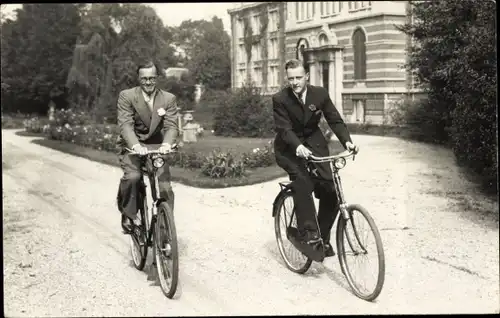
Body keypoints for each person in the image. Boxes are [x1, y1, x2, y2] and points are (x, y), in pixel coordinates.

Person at [272, 59, 358, 257]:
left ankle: (322, 238)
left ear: (307, 77)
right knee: (303, 182)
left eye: (299, 77)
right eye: (291, 78)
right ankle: (309, 233)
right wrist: (298, 147)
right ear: (287, 78)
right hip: (288, 148)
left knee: (331, 189)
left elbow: (334, 119)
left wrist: (348, 142)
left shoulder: (319, 93)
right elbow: (284, 129)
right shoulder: (280, 99)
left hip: (315, 143)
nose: (295, 82)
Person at [116, 61, 179, 233]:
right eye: (144, 79)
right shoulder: (127, 96)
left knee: (165, 186)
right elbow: (126, 125)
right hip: (133, 146)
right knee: (133, 177)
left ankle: (166, 230)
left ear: (157, 78)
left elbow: (172, 126)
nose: (148, 83)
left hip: (157, 146)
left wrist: (167, 144)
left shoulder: (168, 99)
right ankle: (128, 213)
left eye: (152, 78)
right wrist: (135, 145)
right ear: (138, 79)